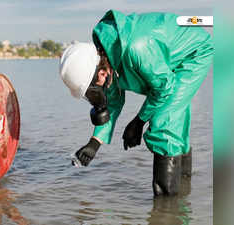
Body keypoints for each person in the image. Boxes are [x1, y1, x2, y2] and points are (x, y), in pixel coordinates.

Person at [59, 10, 213, 196]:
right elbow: (114, 101)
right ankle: (182, 199)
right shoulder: (106, 56)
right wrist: (94, 143)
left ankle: (166, 207)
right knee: (173, 117)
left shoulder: (136, 49)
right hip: (164, 58)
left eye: (92, 90)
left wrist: (139, 121)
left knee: (163, 123)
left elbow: (163, 88)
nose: (95, 95)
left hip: (193, 53)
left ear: (99, 73)